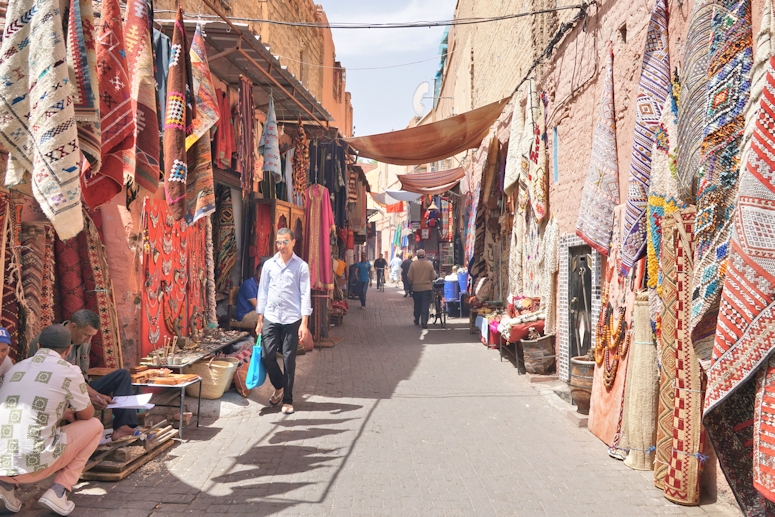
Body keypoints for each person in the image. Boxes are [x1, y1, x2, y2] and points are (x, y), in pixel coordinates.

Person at [0, 324, 102, 515]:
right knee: (95, 426)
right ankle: (59, 490)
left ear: (38, 346)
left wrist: (62, 412)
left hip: (2, 465)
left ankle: (4, 487)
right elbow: (87, 415)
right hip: (32, 467)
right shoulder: (69, 370)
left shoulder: (16, 368)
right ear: (68, 349)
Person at [31, 310, 138, 441]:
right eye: (86, 335)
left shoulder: (84, 342)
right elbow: (46, 381)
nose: (88, 340)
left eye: (92, 336)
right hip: (55, 391)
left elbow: (81, 377)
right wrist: (89, 398)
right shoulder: (48, 340)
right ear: (73, 326)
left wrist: (94, 395)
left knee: (122, 375)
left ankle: (123, 426)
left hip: (78, 386)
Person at [256, 227, 312, 415]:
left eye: (285, 242)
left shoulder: (301, 266)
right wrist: (260, 319)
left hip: (292, 318)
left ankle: (288, 399)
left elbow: (305, 295)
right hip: (271, 316)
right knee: (267, 355)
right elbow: (262, 292)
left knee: (289, 359)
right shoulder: (269, 265)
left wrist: (304, 323)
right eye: (278, 242)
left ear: (293, 242)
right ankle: (279, 386)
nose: (281, 246)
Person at [408, 249, 437, 328]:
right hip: (427, 288)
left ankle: (417, 319)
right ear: (424, 256)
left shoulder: (413, 264)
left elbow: (409, 277)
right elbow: (433, 277)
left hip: (416, 288)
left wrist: (412, 284)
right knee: (425, 305)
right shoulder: (429, 265)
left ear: (417, 256)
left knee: (417, 304)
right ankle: (424, 321)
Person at [235, 258, 269, 326]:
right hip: (245, 314)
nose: (262, 276)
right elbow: (257, 306)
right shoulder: (248, 284)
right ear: (255, 272)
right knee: (270, 317)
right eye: (260, 273)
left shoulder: (263, 285)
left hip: (255, 312)